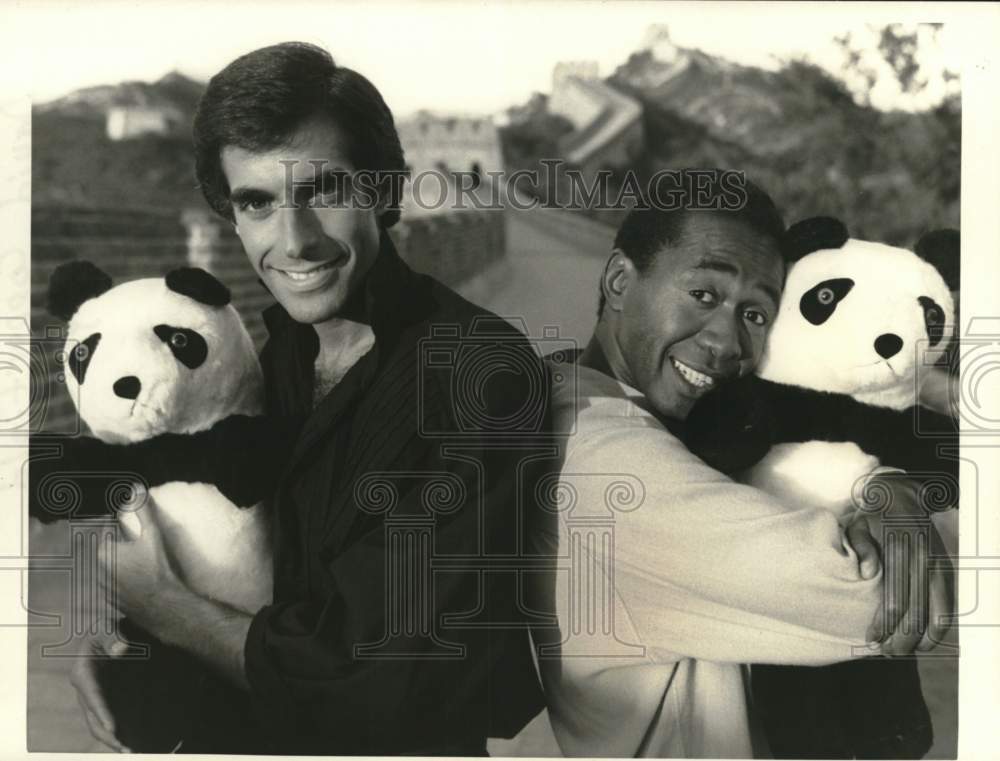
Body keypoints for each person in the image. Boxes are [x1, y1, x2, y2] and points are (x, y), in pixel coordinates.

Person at [69, 41, 549, 754]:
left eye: (323, 191)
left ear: (386, 190)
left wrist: (164, 607)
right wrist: (114, 653)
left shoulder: (480, 372)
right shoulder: (280, 354)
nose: (294, 241)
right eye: (257, 203)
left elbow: (381, 675)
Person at [527, 180, 953, 758]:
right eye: (704, 293)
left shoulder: (575, 397)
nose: (729, 340)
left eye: (755, 313)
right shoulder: (609, 463)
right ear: (620, 281)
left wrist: (885, 485)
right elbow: (881, 600)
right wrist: (886, 506)